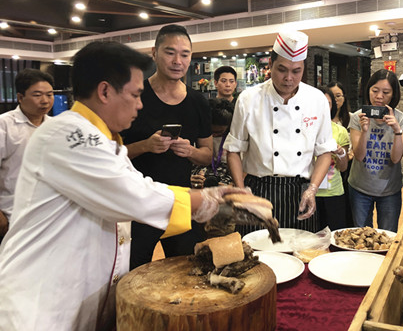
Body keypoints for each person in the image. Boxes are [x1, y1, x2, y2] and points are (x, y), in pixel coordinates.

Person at [0, 41, 246, 330]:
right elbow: (133, 194)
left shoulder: (104, 141)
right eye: (135, 95)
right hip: (40, 306)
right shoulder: (67, 133)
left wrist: (206, 199)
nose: (140, 105)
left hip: (80, 300)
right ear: (105, 91)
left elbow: (136, 189)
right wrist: (207, 201)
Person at [225, 30, 337, 232]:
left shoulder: (317, 99)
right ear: (270, 65)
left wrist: (313, 189)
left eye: (296, 71)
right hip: (258, 189)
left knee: (300, 254)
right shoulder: (249, 99)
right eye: (282, 70)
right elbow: (233, 150)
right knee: (254, 257)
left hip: (301, 192)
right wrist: (241, 191)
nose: (288, 78)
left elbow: (324, 152)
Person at [121, 24, 213, 269]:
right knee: (132, 271)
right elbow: (112, 154)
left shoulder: (197, 101)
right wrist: (145, 145)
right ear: (154, 53)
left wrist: (191, 151)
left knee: (187, 269)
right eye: (170, 52)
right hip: (137, 202)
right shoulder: (135, 95)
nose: (177, 61)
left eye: (185, 54)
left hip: (180, 200)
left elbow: (207, 155)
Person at [348, 69, 403, 232]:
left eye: (386, 92)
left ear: (393, 94)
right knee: (360, 236)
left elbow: (396, 158)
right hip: (360, 188)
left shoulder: (402, 119)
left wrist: (397, 129)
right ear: (368, 90)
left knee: (388, 237)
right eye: (375, 91)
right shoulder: (357, 117)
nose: (379, 96)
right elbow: (359, 155)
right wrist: (365, 130)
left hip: (389, 190)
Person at [0, 69, 54, 243]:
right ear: (20, 97)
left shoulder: (56, 126)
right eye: (37, 95)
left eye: (49, 94)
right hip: (11, 216)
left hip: (48, 216)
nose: (45, 101)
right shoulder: (5, 125)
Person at [315, 86, 350, 231]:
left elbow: (343, 168)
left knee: (335, 236)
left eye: (327, 103)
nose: (322, 107)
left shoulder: (339, 131)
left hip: (333, 191)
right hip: (308, 191)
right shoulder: (301, 129)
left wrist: (340, 152)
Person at [191, 98, 235, 189]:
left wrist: (234, 184)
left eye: (219, 132)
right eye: (210, 131)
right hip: (199, 179)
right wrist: (190, 178)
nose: (213, 135)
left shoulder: (234, 137)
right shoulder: (194, 134)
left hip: (226, 180)